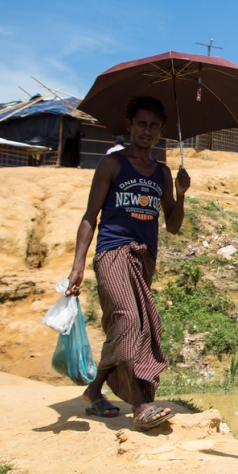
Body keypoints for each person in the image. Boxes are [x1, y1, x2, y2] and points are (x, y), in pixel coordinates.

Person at [66, 96, 190, 431]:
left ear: (161, 131)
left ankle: (94, 391)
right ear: (129, 126)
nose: (146, 131)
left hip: (144, 256)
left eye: (153, 126)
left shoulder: (162, 173)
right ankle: (140, 404)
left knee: (131, 324)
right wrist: (77, 266)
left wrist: (180, 195)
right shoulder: (112, 165)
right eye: (141, 124)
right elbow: (90, 217)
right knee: (130, 319)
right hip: (112, 252)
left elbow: (173, 225)